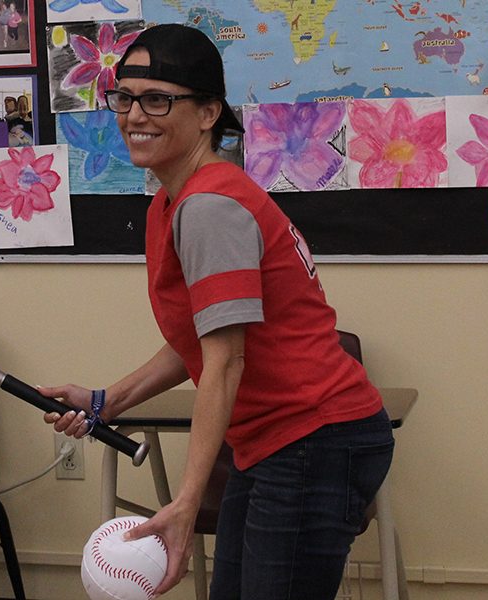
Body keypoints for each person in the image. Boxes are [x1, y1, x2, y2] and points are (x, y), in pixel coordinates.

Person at [41, 24, 394, 599]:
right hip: (275, 441)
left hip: (316, 437)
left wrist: (184, 502)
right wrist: (108, 401)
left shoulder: (209, 207)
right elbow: (198, 340)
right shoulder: (172, 202)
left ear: (208, 113)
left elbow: (225, 361)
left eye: (158, 99)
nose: (135, 115)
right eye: (125, 97)